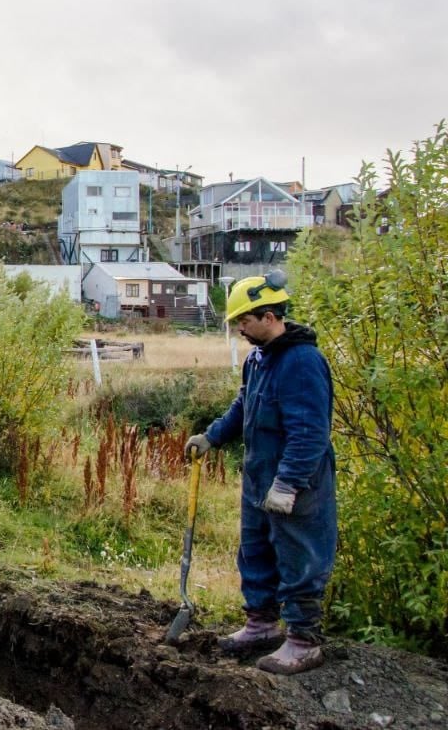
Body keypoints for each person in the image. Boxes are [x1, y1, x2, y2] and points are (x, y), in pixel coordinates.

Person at [185, 270, 336, 675]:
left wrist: (288, 483)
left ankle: (303, 640)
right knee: (255, 554)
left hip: (296, 485)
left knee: (298, 557)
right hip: (258, 479)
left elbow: (310, 432)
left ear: (269, 316)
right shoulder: (257, 359)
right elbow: (243, 407)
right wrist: (212, 437)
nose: (239, 329)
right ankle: (261, 625)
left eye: (244, 321)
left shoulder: (303, 362)